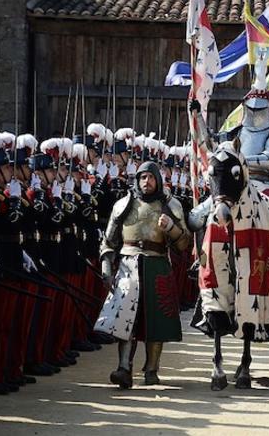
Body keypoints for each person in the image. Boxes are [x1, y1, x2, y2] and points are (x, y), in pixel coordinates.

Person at [95, 161, 191, 389]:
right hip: (129, 265)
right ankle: (123, 368)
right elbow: (108, 241)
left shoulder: (171, 205)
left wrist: (172, 228)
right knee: (125, 320)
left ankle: (151, 369)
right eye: (142, 177)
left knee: (155, 320)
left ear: (158, 179)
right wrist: (107, 269)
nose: (146, 182)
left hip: (157, 264)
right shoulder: (123, 204)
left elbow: (184, 243)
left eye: (150, 177)